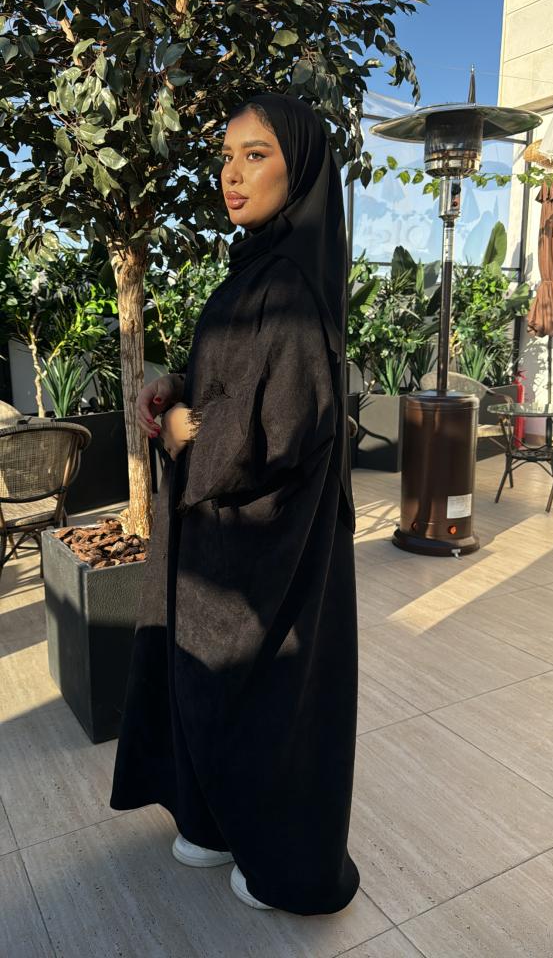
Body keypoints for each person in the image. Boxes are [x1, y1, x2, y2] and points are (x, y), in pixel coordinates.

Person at [110, 91, 360, 915]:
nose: (232, 173)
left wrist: (188, 431)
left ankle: (277, 859)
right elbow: (233, 377)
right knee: (206, 686)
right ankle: (212, 822)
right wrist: (174, 386)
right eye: (226, 156)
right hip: (221, 536)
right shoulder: (255, 267)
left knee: (261, 701)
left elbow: (273, 427)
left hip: (265, 549)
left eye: (256, 155)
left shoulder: (291, 286)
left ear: (301, 169)